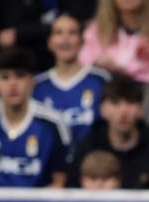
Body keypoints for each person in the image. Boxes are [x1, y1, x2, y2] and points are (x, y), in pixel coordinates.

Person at [0, 49, 71, 188]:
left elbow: (59, 181)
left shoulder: (52, 123)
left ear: (32, 81)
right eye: (5, 77)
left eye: (19, 76)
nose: (13, 84)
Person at [66, 72, 149, 189]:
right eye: (115, 103)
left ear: (141, 109)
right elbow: (72, 190)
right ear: (102, 109)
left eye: (130, 103)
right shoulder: (87, 147)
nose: (123, 111)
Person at [33, 13, 112, 146]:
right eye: (59, 33)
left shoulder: (101, 79)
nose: (65, 38)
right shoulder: (37, 85)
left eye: (72, 32)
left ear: (82, 41)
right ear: (49, 42)